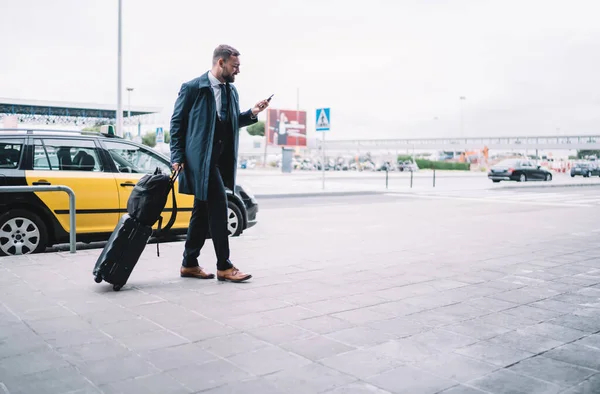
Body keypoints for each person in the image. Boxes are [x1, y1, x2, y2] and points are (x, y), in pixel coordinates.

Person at [169, 44, 269, 283]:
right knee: (218, 206)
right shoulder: (193, 88)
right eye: (235, 66)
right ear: (221, 63)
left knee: (201, 212)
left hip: (219, 160)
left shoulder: (230, 91)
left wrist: (252, 113)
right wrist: (177, 157)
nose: (238, 72)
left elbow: (231, 122)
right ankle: (224, 266)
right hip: (199, 160)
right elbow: (177, 124)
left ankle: (189, 263)